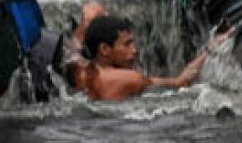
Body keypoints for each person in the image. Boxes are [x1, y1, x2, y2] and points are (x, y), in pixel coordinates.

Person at [78, 15, 232, 102]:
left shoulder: (81, 74)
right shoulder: (129, 79)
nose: (135, 50)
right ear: (105, 49)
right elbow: (180, 82)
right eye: (127, 44)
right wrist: (210, 50)